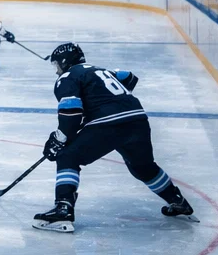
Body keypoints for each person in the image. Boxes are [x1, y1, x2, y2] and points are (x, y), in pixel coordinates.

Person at [33, 41, 196, 233]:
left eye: (56, 66)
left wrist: (58, 139)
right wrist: (108, 100)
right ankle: (178, 202)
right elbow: (130, 77)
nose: (56, 71)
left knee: (67, 156)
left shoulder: (67, 77)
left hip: (109, 124)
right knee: (143, 167)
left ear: (64, 62)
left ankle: (63, 209)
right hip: (137, 120)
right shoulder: (102, 71)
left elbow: (72, 115)